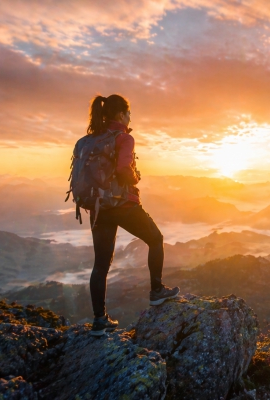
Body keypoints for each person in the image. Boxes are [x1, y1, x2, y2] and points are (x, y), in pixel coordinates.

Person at [85, 94, 179, 336]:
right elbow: (123, 169)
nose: (130, 118)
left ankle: (99, 320)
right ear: (120, 115)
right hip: (122, 204)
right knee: (155, 239)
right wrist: (135, 178)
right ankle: (156, 291)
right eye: (128, 114)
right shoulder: (124, 138)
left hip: (98, 207)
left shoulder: (90, 140)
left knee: (101, 264)